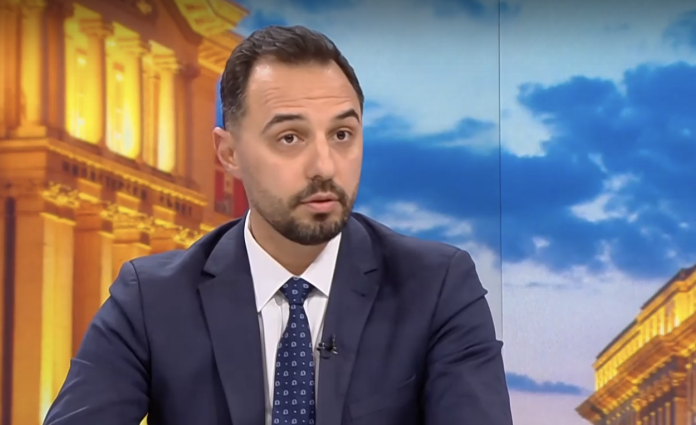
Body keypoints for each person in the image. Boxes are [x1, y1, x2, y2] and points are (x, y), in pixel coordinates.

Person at [44, 25, 512, 425]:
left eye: (342, 134)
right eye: (290, 138)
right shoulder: (151, 300)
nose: (324, 165)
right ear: (229, 153)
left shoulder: (437, 287)